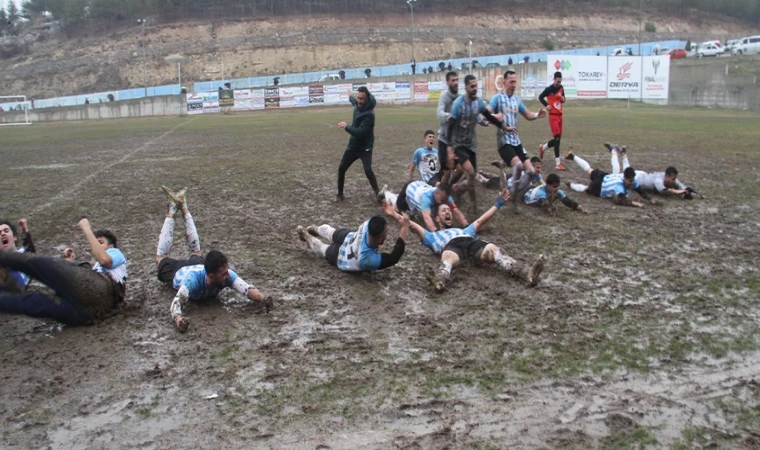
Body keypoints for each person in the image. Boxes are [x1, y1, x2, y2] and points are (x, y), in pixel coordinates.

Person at [156, 187, 270, 333]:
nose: (228, 276)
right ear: (211, 276)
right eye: (223, 274)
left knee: (196, 251)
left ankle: (184, 207)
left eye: (226, 272)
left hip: (197, 265)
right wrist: (179, 320)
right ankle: (172, 210)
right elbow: (176, 304)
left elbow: (247, 289)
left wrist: (264, 299)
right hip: (179, 270)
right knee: (161, 258)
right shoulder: (191, 282)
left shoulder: (224, 274)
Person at [383, 192, 543, 292]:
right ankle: (439, 280)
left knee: (493, 250)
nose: (448, 212)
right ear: (437, 218)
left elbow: (481, 221)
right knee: (447, 256)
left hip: (469, 242)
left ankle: (526, 273)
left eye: (449, 210)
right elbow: (412, 225)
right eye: (444, 210)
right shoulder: (432, 236)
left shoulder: (464, 230)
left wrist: (497, 205)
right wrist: (393, 214)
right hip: (451, 247)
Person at [0, 218, 127, 325]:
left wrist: (87, 229)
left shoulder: (115, 253)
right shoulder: (99, 270)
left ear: (111, 246)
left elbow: (104, 260)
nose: (97, 245)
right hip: (87, 313)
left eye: (101, 242)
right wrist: (70, 263)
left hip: (97, 292)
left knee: (38, 264)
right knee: (31, 303)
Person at [446, 74, 510, 215]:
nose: (475, 89)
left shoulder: (479, 103)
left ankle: (456, 191)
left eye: (476, 86)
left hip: (471, 146)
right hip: (459, 145)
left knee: (472, 178)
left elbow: (488, 116)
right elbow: (450, 126)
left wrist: (503, 126)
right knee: (470, 171)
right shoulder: (458, 104)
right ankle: (455, 192)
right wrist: (450, 148)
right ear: (466, 87)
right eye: (472, 86)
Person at [487, 70, 547, 203]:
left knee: (531, 171)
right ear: (504, 82)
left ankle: (513, 194)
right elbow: (486, 112)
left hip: (516, 142)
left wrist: (537, 114)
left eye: (515, 82)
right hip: (504, 142)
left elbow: (527, 115)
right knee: (519, 166)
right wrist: (494, 117)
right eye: (511, 82)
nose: (514, 84)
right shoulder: (497, 98)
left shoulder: (516, 100)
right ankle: (513, 198)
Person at [295, 209, 410, 273]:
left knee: (332, 232)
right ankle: (307, 236)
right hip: (341, 258)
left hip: (349, 237)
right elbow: (394, 257)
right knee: (322, 248)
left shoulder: (368, 224)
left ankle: (314, 229)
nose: (387, 233)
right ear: (380, 240)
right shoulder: (366, 259)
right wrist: (405, 227)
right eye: (386, 232)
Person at [564, 150, 656, 207]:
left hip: (605, 176)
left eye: (632, 180)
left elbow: (641, 191)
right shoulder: (619, 186)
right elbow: (620, 200)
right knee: (586, 189)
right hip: (600, 187)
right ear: (624, 178)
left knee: (589, 170)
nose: (632, 183)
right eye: (630, 181)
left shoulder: (632, 180)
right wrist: (636, 204)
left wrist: (650, 199)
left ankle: (573, 157)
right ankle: (570, 184)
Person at [337, 86, 380, 202]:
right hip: (353, 146)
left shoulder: (369, 114)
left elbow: (360, 133)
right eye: (358, 97)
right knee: (342, 168)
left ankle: (378, 193)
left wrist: (347, 126)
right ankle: (340, 194)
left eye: (362, 99)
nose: (359, 100)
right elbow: (353, 101)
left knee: (368, 170)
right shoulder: (357, 103)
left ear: (367, 99)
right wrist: (350, 95)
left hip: (365, 146)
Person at [603, 142, 691, 196]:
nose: (674, 181)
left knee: (627, 170)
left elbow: (679, 184)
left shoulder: (668, 176)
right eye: (672, 179)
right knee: (615, 174)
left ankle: (623, 153)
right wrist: (678, 192)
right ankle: (614, 151)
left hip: (642, 175)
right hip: (638, 178)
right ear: (667, 176)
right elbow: (664, 191)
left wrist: (686, 189)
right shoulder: (658, 180)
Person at [380, 181, 468, 232]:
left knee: (415, 213)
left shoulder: (445, 197)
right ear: (436, 193)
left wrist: (466, 226)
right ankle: (386, 194)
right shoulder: (426, 199)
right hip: (409, 189)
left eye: (445, 200)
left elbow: (456, 210)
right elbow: (427, 218)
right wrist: (436, 233)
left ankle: (394, 196)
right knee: (397, 209)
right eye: (442, 200)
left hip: (420, 186)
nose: (444, 202)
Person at [538, 71, 567, 171]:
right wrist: (546, 105)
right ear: (554, 79)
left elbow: (563, 99)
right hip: (553, 116)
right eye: (557, 81)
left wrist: (563, 99)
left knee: (557, 140)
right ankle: (558, 163)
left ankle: (543, 147)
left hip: (560, 116)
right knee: (557, 139)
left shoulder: (561, 88)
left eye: (560, 81)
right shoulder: (549, 89)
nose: (558, 83)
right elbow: (540, 97)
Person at [0, 218, 36, 291]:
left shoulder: (23, 253)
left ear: (15, 237)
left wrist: (25, 230)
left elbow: (30, 250)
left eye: (6, 231)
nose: (3, 234)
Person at [478, 156, 543, 190]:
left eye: (540, 168)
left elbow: (543, 184)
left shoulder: (537, 174)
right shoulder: (526, 175)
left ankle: (484, 173)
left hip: (510, 177)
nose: (539, 170)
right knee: (486, 182)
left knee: (497, 177)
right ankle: (478, 175)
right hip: (507, 181)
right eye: (537, 168)